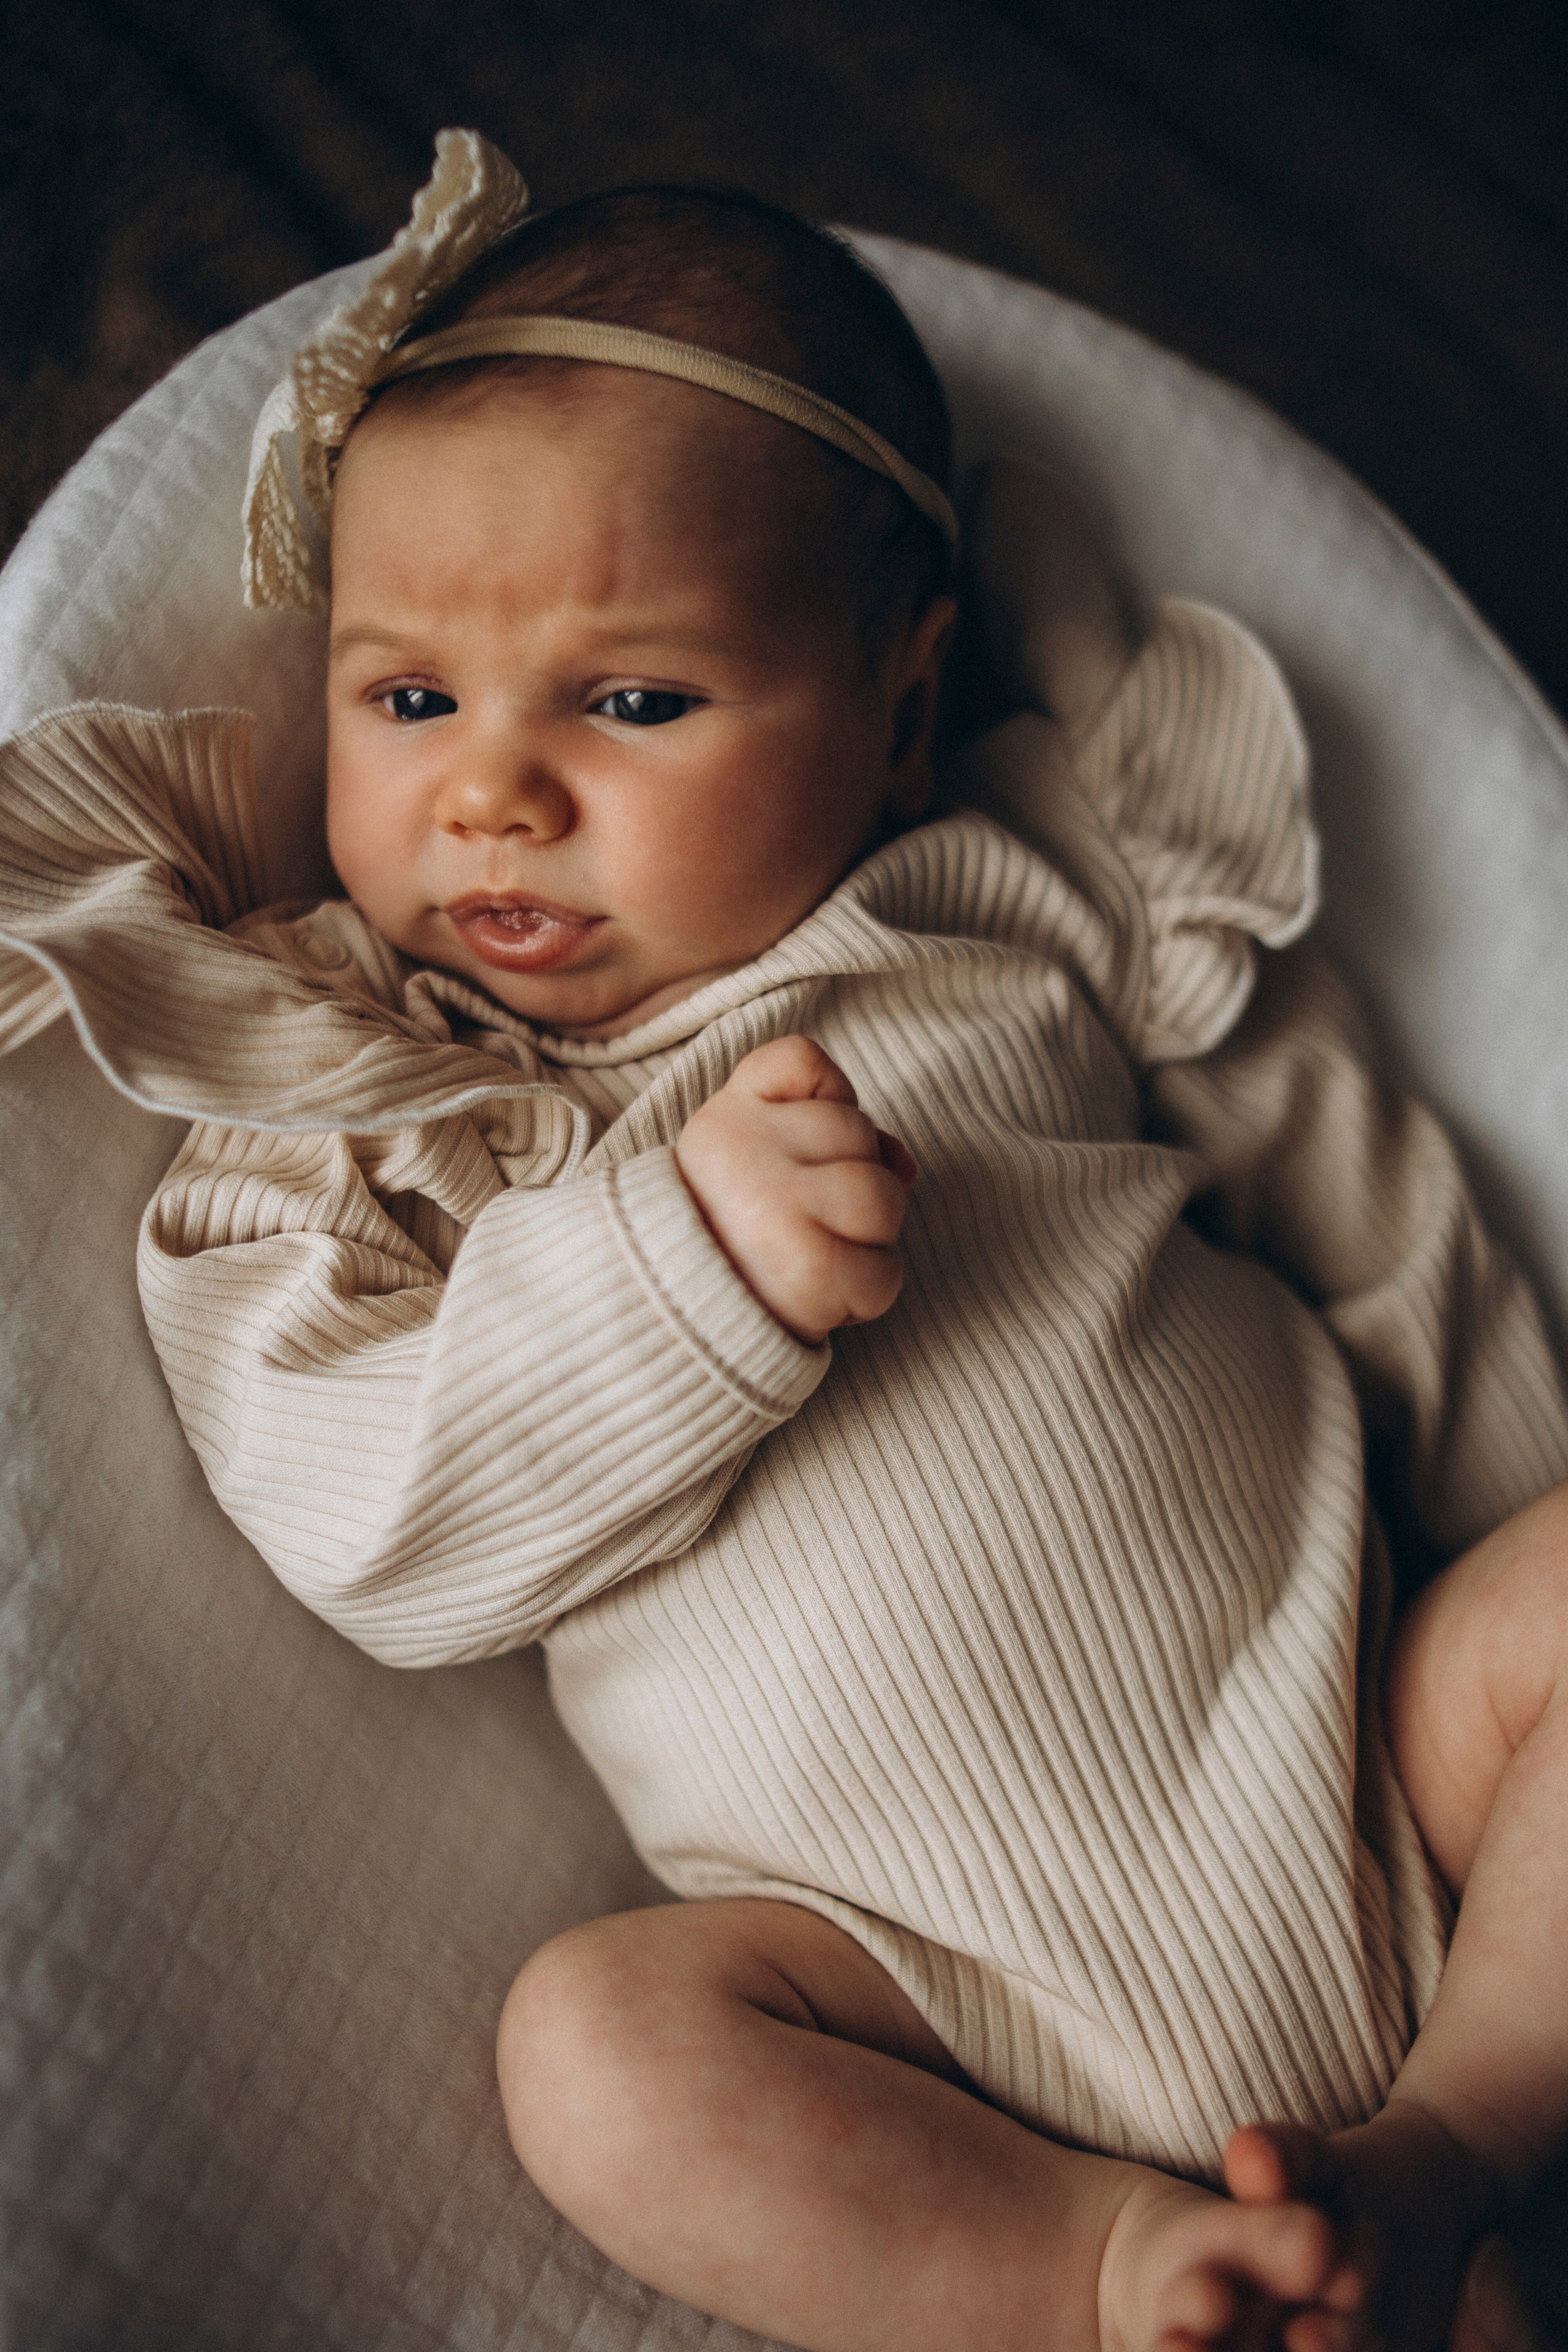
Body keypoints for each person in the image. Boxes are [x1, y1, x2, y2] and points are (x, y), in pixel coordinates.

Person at [1, 131, 1564, 2352]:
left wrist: (1509, 1513)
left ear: (902, 711)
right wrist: (670, 1278)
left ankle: (1457, 2150)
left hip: (1366, 1767)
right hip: (914, 2004)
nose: (495, 794)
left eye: (632, 701)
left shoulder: (1024, 900)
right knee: (596, 2060)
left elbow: (1356, 1176)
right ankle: (1110, 2272)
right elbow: (373, 1525)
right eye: (408, 694)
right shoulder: (372, 1114)